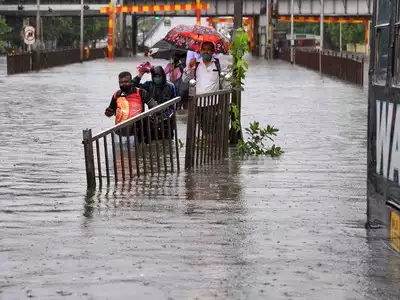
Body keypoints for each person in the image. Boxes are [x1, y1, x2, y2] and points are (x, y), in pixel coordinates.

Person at [104, 71, 158, 141]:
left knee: (136, 150)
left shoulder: (140, 92)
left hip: (136, 133)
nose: (123, 84)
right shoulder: (116, 95)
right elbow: (110, 112)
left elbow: (154, 106)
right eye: (121, 82)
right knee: (120, 151)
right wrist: (108, 113)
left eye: (126, 82)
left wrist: (151, 120)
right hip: (119, 133)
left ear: (131, 82)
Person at [132, 66, 177, 139]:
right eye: (155, 76)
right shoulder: (148, 85)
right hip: (153, 118)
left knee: (168, 143)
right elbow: (132, 87)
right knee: (153, 141)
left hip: (167, 119)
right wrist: (140, 74)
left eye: (159, 76)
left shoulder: (170, 86)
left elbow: (174, 102)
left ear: (163, 76)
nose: (157, 78)